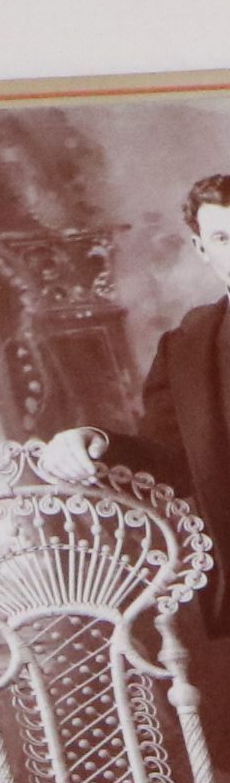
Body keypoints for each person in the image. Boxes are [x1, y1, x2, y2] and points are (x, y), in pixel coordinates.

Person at [129, 171, 230, 633]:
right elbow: (165, 462)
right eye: (223, 237)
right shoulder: (187, 348)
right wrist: (89, 441)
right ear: (202, 248)